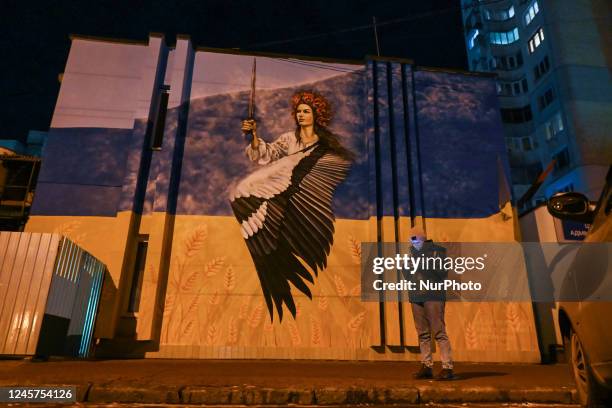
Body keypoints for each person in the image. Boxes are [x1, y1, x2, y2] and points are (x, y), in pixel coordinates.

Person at [241, 90, 354, 164]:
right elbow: (267, 154)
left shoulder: (326, 142)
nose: (301, 114)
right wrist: (254, 134)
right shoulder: (288, 139)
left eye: (306, 111)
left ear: (316, 115)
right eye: (298, 111)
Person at [407, 228, 455, 380]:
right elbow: (407, 274)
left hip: (433, 295)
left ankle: (447, 367)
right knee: (422, 333)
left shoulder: (437, 251)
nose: (413, 242)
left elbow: (442, 272)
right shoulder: (412, 252)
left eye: (415, 239)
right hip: (416, 295)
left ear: (423, 238)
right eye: (411, 239)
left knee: (439, 331)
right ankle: (427, 365)